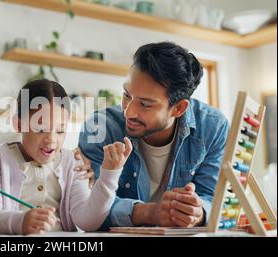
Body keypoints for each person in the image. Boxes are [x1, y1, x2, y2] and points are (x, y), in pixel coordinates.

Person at [79, 42, 229, 229]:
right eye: (127, 95)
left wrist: (198, 213)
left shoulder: (212, 127)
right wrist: (150, 213)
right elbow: (87, 207)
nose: (129, 111)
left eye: (145, 104)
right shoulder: (100, 127)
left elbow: (215, 198)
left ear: (178, 108)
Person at [0, 79, 131, 234]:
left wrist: (109, 176)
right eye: (41, 128)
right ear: (18, 124)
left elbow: (87, 221)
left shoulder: (73, 162)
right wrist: (20, 222)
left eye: (60, 131)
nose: (51, 139)